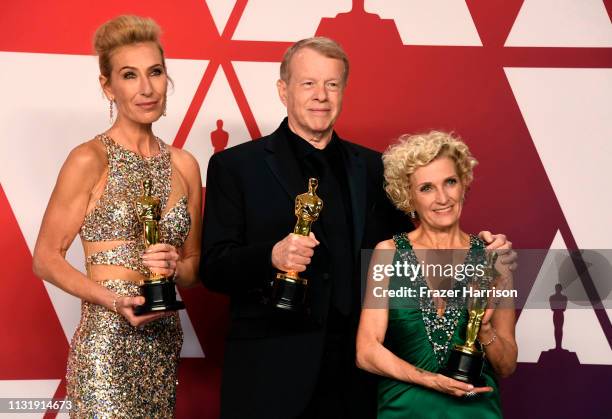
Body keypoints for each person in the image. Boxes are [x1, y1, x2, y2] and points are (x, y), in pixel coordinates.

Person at [200, 37, 513, 419]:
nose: (321, 96)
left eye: (332, 84)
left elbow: (420, 245)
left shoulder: (375, 168)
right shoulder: (236, 167)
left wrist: (484, 250)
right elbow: (213, 267)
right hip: (270, 373)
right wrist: (271, 255)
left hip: (357, 381)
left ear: (343, 91)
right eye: (308, 83)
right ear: (283, 90)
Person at [32, 15, 202, 417]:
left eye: (155, 72)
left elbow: (194, 269)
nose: (146, 88)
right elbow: (46, 257)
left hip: (162, 346)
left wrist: (176, 266)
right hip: (106, 349)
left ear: (166, 78)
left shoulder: (185, 165)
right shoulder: (89, 159)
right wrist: (115, 301)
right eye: (129, 75)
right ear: (108, 86)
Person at [356, 131, 518, 418]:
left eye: (450, 182)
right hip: (405, 411)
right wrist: (432, 380)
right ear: (408, 195)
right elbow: (366, 351)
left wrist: (484, 329)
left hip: (476, 412)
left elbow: (506, 366)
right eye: (427, 188)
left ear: (464, 184)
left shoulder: (494, 257)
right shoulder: (388, 252)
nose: (442, 198)